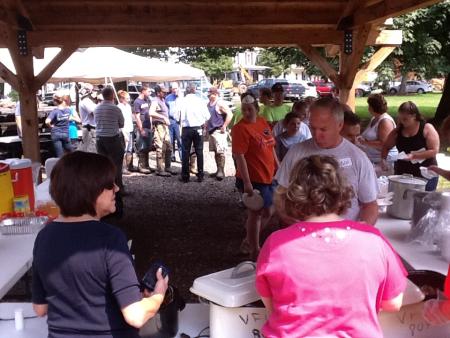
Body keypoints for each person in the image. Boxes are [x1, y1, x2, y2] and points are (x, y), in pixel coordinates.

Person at [256, 155, 407, 338]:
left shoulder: (276, 244)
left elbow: (272, 305)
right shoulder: (373, 239)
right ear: (342, 192)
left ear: (294, 196)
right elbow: (393, 303)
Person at [32, 151, 169, 338]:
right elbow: (135, 315)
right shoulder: (110, 239)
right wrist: (158, 295)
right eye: (109, 184)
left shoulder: (44, 236)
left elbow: (40, 308)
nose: (117, 189)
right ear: (90, 191)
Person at [275, 97, 379, 225]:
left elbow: (370, 204)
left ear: (340, 125)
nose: (316, 135)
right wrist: (293, 225)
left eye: (323, 129)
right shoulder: (296, 152)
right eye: (313, 128)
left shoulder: (358, 157)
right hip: (303, 236)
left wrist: (359, 233)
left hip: (343, 238)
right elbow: (280, 195)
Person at [232, 92, 279, 260]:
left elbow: (271, 146)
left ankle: (248, 241)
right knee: (257, 213)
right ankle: (254, 248)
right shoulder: (239, 129)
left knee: (268, 210)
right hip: (253, 178)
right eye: (244, 109)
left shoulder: (261, 122)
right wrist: (247, 183)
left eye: (250, 109)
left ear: (257, 109)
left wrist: (278, 166)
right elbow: (240, 156)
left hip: (268, 175)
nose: (246, 113)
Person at [382, 101, 440, 191]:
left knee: (423, 201)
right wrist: (383, 160)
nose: (402, 122)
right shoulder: (397, 131)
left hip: (425, 172)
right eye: (400, 118)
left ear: (414, 116)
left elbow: (434, 150)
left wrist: (414, 156)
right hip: (403, 172)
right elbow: (386, 146)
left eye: (405, 119)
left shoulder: (426, 128)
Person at [95, 86, 125, 216]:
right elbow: (121, 124)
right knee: (116, 166)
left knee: (103, 167)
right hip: (112, 138)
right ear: (112, 95)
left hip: (100, 139)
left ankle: (104, 190)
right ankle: (117, 191)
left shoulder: (97, 109)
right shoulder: (115, 108)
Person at [179, 84, 210, 183]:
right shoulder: (200, 101)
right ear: (194, 90)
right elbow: (207, 116)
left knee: (185, 152)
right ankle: (200, 175)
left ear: (187, 91)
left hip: (187, 128)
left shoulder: (182, 101)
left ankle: (185, 176)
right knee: (199, 151)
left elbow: (179, 116)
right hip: (198, 128)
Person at [359, 94, 398, 164]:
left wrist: (365, 143)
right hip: (372, 158)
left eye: (369, 105)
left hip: (384, 160)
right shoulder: (374, 118)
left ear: (372, 107)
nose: (368, 108)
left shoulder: (385, 121)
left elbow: (384, 144)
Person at [207, 86, 233, 181]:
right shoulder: (209, 103)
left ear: (215, 94)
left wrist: (224, 125)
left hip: (219, 130)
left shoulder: (220, 103)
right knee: (215, 151)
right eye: (209, 93)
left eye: (211, 94)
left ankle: (221, 171)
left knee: (220, 151)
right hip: (211, 130)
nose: (209, 95)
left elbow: (230, 114)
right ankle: (218, 169)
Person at [149, 84, 173, 176]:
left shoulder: (163, 100)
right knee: (160, 147)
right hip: (159, 126)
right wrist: (163, 117)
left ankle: (167, 167)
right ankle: (160, 169)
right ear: (158, 93)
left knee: (168, 147)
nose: (166, 93)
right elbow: (151, 112)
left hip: (164, 126)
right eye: (163, 92)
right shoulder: (155, 101)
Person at [45, 92, 73, 157]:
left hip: (56, 133)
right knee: (70, 153)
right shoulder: (68, 110)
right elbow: (69, 118)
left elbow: (47, 121)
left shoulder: (55, 111)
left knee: (60, 155)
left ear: (55, 102)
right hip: (65, 133)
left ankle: (61, 165)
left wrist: (51, 126)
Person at [133, 86, 153, 174]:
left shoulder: (147, 100)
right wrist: (141, 129)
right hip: (142, 127)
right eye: (148, 91)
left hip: (148, 126)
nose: (150, 93)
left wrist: (151, 126)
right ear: (143, 91)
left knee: (147, 147)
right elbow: (137, 116)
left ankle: (147, 165)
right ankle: (141, 166)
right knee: (141, 147)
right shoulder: (137, 102)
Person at [117, 90, 135, 174]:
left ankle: (129, 166)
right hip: (124, 130)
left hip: (130, 128)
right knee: (124, 149)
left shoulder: (128, 106)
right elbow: (120, 122)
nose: (129, 99)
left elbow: (130, 118)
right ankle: (123, 168)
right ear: (122, 99)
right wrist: (123, 133)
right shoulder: (119, 107)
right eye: (127, 98)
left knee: (130, 149)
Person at [165, 82, 183, 162]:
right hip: (171, 120)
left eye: (176, 88)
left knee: (180, 140)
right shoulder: (168, 98)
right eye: (173, 88)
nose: (175, 90)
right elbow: (166, 109)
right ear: (171, 89)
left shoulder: (182, 97)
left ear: (178, 88)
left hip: (179, 121)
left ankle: (182, 156)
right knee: (171, 139)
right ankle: (172, 156)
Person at [78, 83, 98, 153]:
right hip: (90, 128)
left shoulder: (86, 101)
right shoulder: (86, 101)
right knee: (92, 150)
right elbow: (94, 113)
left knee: (89, 148)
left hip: (89, 127)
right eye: (94, 90)